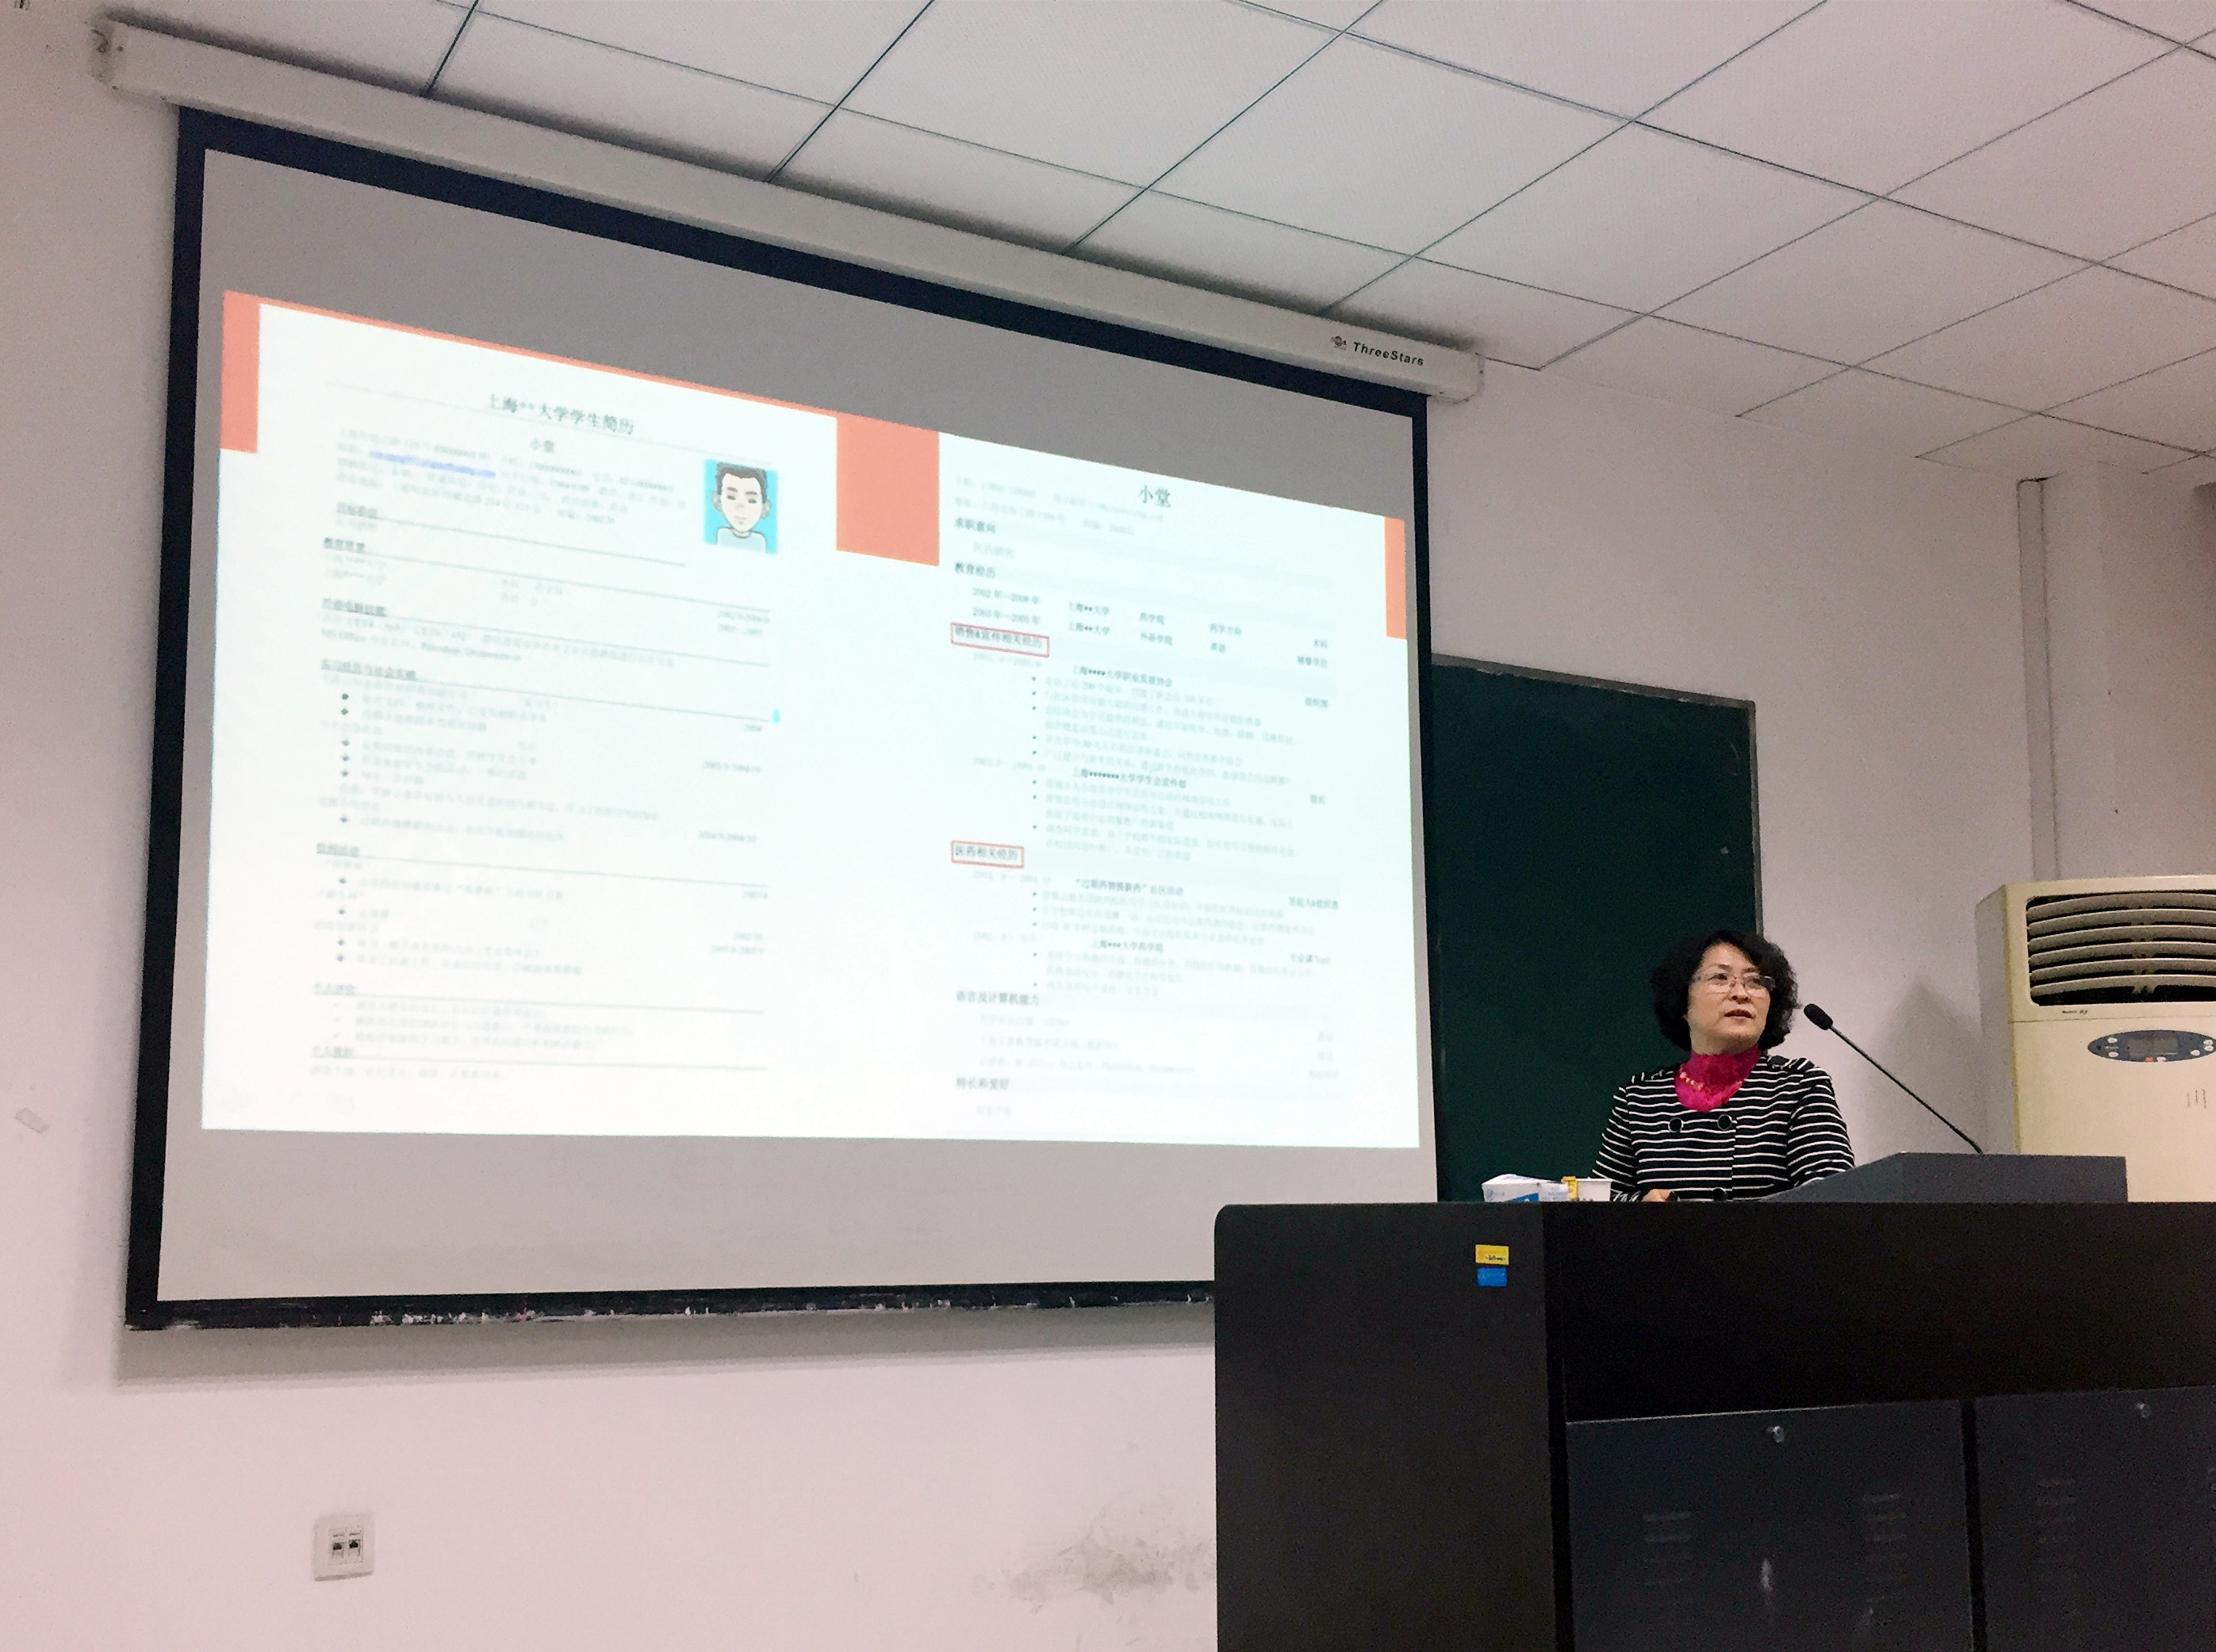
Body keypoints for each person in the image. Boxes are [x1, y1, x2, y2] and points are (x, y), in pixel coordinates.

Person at [1593, 929, 1853, 1202]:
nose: (1741, 993)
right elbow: (1597, 1203)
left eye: (1755, 981)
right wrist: (1640, 1204)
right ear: (1682, 998)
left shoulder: (1799, 1085)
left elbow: (1834, 1197)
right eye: (1720, 978)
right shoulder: (1639, 1099)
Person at [711, 463, 773, 550]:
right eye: (731, 497)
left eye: (751, 500)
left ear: (764, 508)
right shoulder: (721, 535)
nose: (740, 508)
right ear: (718, 501)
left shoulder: (760, 541)